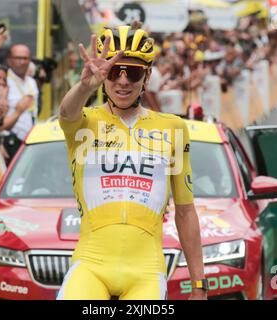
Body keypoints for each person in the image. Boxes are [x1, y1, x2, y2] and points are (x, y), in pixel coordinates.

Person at [57, 26, 207, 300]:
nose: (123, 82)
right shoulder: (84, 122)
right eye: (114, 72)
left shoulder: (172, 127)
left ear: (147, 76)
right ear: (103, 77)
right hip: (91, 266)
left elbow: (185, 212)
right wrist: (84, 87)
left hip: (146, 271)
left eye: (133, 73)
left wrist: (199, 285)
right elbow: (65, 113)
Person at [4, 44, 39, 161]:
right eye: (18, 58)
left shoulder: (32, 82)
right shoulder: (4, 81)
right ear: (9, 61)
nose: (22, 62)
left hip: (30, 139)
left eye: (25, 58)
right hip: (10, 141)